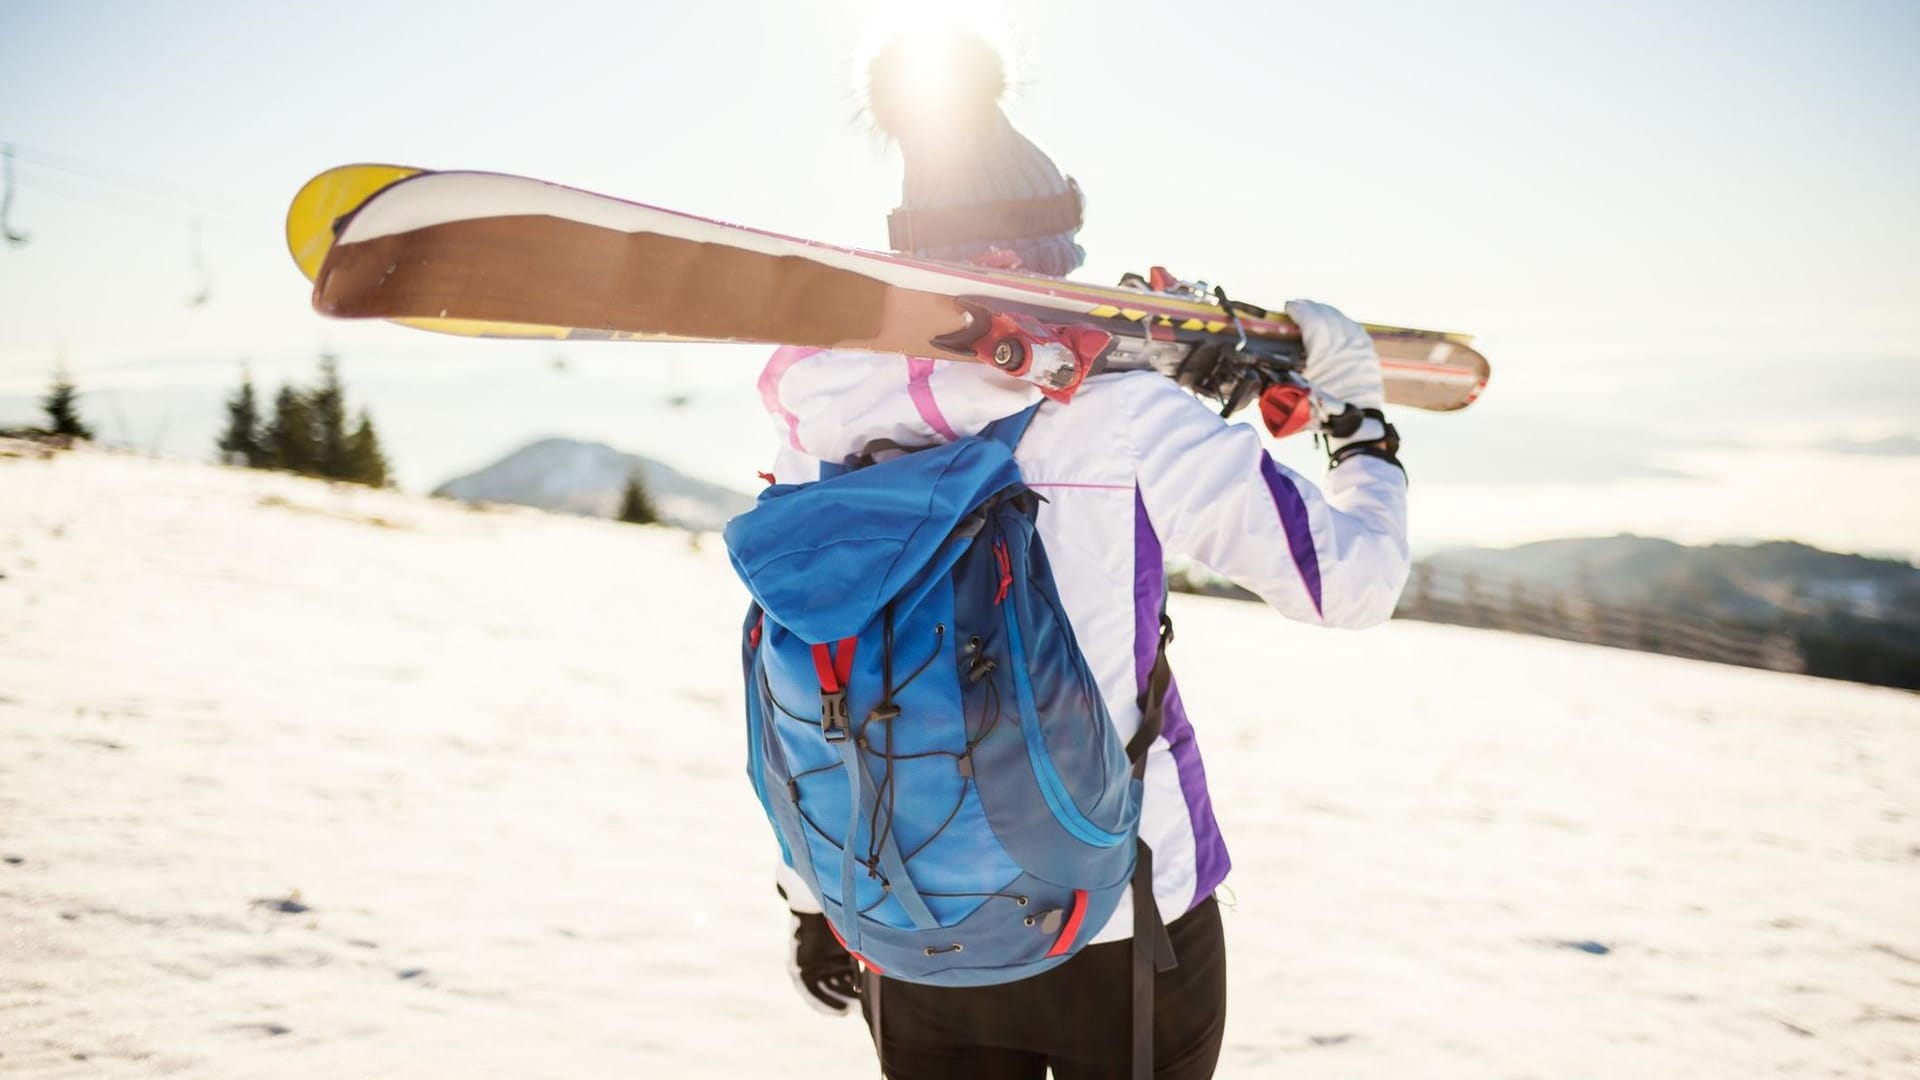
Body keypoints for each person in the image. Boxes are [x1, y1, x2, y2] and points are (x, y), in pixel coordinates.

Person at [759, 31, 1408, 1080]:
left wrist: (808, 900)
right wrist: (1363, 425)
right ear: (1051, 251)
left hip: (906, 913)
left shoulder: (816, 421)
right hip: (1119, 916)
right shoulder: (1129, 418)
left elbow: (819, 675)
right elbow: (1354, 583)